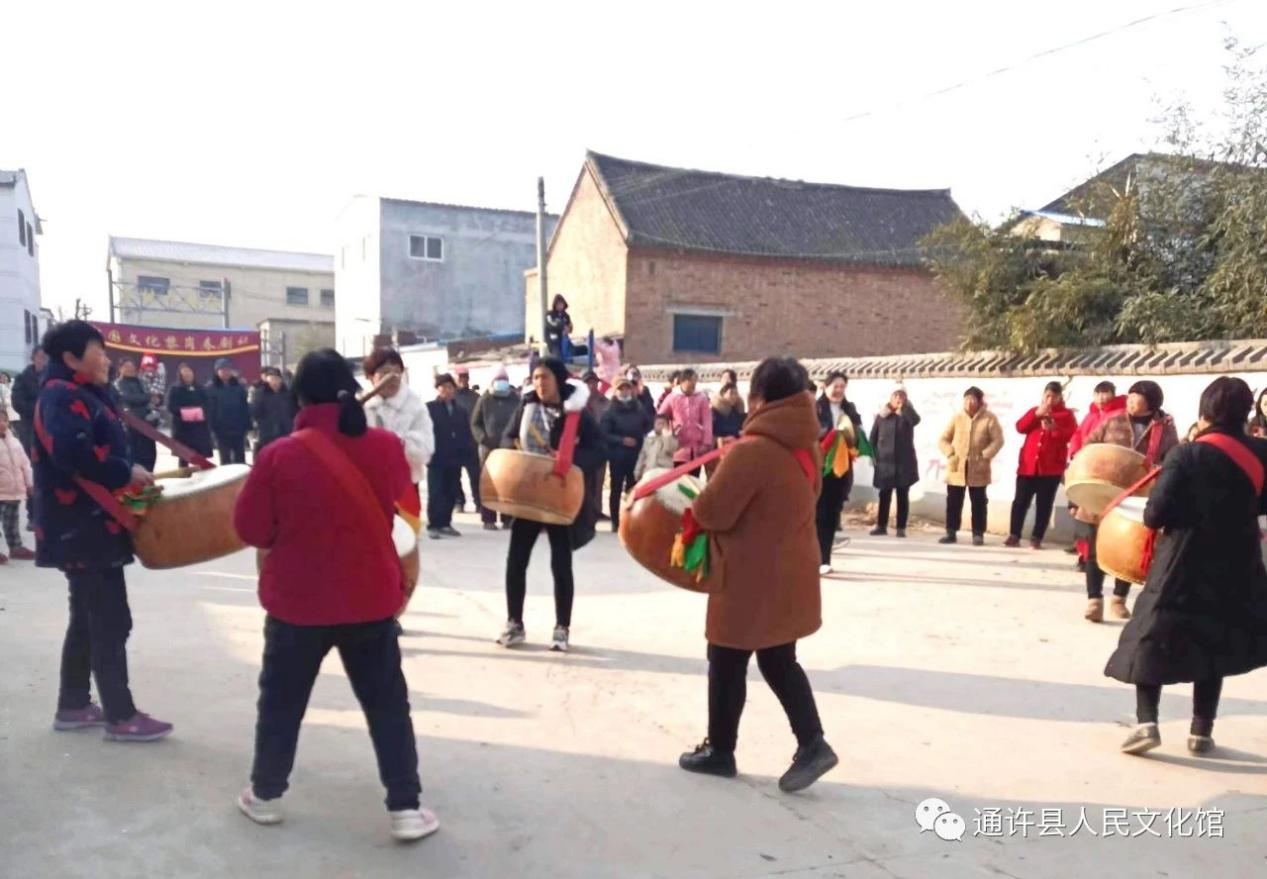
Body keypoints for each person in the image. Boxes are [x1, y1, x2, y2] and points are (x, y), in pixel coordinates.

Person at [232, 348, 437, 841]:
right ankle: (406, 808)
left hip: (297, 604)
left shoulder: (278, 455)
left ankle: (265, 795)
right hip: (369, 600)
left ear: (300, 396)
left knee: (281, 704)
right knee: (387, 706)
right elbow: (400, 487)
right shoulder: (385, 447)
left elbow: (250, 528)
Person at [677, 356, 837, 792]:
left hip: (748, 576)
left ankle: (720, 750)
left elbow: (713, 511)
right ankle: (813, 742)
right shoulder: (806, 445)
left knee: (726, 659)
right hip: (792, 570)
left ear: (760, 397)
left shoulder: (752, 451)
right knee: (778, 659)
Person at [1108, 376, 1267, 757]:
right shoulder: (1262, 452)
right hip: (1237, 561)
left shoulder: (1187, 454)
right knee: (1215, 640)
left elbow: (1156, 514)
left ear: (1205, 410)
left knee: (1149, 635)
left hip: (1182, 560)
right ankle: (1201, 732)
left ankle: (1147, 723)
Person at [34, 321, 170, 742]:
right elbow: (73, 454)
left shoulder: (84, 392)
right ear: (71, 358)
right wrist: (123, 471)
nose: (107, 359)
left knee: (87, 617)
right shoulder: (62, 395)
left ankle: (73, 704)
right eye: (99, 351)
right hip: (82, 527)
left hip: (91, 524)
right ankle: (120, 716)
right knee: (109, 619)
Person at [496, 357, 606, 653]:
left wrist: (569, 460)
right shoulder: (526, 407)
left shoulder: (576, 413)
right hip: (528, 494)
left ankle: (561, 627)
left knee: (561, 563)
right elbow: (507, 437)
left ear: (558, 380)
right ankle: (514, 622)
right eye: (535, 378)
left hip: (559, 496)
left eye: (545, 377)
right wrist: (516, 458)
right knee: (516, 560)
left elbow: (599, 449)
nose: (539, 383)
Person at [1079, 380, 1180, 623]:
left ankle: (1119, 598)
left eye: (1136, 396)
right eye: (1130, 395)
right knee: (1095, 547)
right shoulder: (1113, 420)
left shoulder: (1164, 429)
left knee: (1128, 548)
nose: (1130, 400)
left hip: (1137, 496)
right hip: (1104, 492)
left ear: (1151, 402)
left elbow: (1172, 460)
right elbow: (1088, 447)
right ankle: (1094, 600)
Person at [1007, 381, 1077, 549]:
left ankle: (1036, 537)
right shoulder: (1035, 410)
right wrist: (1036, 415)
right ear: (1043, 395)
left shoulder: (1066, 415)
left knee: (1044, 505)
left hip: (1051, 468)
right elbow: (1020, 427)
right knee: (1020, 502)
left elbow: (1072, 436)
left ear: (1060, 397)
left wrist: (1054, 429)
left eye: (1054, 397)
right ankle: (1014, 535)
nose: (1050, 400)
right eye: (1047, 396)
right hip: (1028, 466)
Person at [937, 387, 1004, 547]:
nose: (969, 402)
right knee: (953, 501)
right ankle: (951, 532)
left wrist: (985, 454)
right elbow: (943, 439)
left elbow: (998, 440)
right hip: (957, 467)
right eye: (966, 398)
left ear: (980, 401)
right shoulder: (957, 417)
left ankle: (978, 534)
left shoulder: (989, 418)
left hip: (978, 467)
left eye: (972, 399)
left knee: (979, 503)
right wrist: (950, 453)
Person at [362, 348, 434, 491]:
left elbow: (426, 447)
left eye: (397, 372)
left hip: (404, 484)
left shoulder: (414, 406)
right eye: (385, 372)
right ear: (370, 376)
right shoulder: (360, 407)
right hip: (368, 483)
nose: (392, 378)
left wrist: (394, 443)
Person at [814, 373, 862, 572]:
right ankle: (816, 559)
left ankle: (825, 560)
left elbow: (858, 436)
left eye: (842, 386)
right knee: (819, 513)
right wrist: (830, 435)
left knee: (833, 515)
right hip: (820, 468)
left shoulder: (849, 409)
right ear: (826, 387)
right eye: (835, 386)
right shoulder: (815, 408)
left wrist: (850, 436)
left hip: (841, 469)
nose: (839, 390)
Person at [470, 366, 520, 531]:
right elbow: (475, 423)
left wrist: (514, 440)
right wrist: (483, 439)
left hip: (509, 449)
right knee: (488, 484)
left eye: (504, 380)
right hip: (488, 449)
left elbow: (520, 421)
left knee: (508, 484)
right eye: (499, 380)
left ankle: (508, 518)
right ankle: (488, 518)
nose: (501, 383)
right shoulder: (485, 399)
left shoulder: (515, 399)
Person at [426, 373, 476, 538]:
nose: (447, 390)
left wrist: (468, 453)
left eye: (450, 387)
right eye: (443, 387)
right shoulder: (430, 409)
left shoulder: (460, 410)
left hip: (454, 457)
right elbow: (425, 432)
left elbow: (466, 433)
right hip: (436, 457)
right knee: (436, 491)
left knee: (451, 491)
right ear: (438, 389)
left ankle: (446, 523)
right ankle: (434, 524)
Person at [601, 376, 652, 530]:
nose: (624, 391)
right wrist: (621, 440)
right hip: (617, 454)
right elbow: (604, 433)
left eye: (627, 388)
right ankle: (615, 521)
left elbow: (648, 425)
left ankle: (631, 520)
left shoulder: (638, 408)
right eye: (621, 388)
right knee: (616, 488)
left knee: (633, 488)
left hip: (635, 454)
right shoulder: (610, 410)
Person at [869, 388, 920, 537]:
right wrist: (873, 456)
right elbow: (873, 437)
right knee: (884, 495)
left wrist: (903, 409)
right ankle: (881, 526)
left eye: (901, 397)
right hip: (885, 463)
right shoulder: (882, 416)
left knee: (902, 495)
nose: (898, 399)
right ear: (891, 399)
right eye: (896, 397)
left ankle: (901, 528)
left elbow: (915, 420)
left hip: (904, 463)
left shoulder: (908, 414)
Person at [11, 345, 46, 530]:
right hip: (31, 429)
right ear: (33, 358)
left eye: (46, 357)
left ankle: (49, 513)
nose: (43, 360)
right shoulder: (23, 378)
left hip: (50, 429)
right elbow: (17, 402)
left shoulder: (52, 377)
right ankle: (33, 514)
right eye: (40, 357)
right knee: (32, 471)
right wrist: (38, 410)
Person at [658, 368, 712, 475]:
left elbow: (707, 421)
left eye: (695, 382)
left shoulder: (701, 398)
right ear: (683, 381)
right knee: (678, 480)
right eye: (691, 381)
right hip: (677, 448)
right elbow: (660, 418)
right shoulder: (672, 398)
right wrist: (667, 432)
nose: (693, 385)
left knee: (693, 480)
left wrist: (706, 443)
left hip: (695, 449)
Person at [0, 407, 35, 562]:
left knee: (11, 520)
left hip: (13, 489)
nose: (2, 423)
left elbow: (25, 464)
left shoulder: (14, 441)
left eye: (4, 420)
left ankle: (15, 547)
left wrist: (29, 483)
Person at [113, 358, 158, 471]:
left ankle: (149, 475)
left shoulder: (141, 382)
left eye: (132, 366)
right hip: (132, 425)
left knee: (150, 453)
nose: (130, 369)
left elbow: (151, 397)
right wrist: (148, 398)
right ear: (120, 369)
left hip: (147, 423)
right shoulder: (118, 384)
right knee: (135, 455)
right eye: (127, 367)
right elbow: (129, 398)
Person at [206, 358, 252, 465]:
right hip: (221, 429)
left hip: (238, 428)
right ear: (217, 371)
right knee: (225, 458)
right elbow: (209, 410)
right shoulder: (210, 388)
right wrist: (211, 427)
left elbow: (245, 407)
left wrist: (247, 424)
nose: (226, 372)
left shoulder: (238, 387)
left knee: (240, 458)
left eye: (228, 369)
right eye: (222, 370)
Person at [167, 363, 214, 467]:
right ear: (180, 374)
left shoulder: (201, 388)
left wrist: (200, 412)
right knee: (184, 459)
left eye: (189, 371)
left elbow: (208, 404)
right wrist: (186, 413)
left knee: (201, 459)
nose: (187, 374)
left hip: (199, 429)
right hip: (183, 429)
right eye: (184, 371)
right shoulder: (175, 389)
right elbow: (171, 407)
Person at [450, 368, 483, 516]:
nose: (463, 380)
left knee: (475, 476)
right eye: (460, 377)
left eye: (465, 377)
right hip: (455, 443)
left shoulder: (476, 397)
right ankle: (459, 502)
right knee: (454, 476)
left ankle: (479, 503)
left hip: (472, 443)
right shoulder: (450, 397)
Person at [581, 371, 612, 521]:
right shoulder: (578, 401)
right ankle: (583, 512)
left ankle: (597, 510)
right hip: (582, 447)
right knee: (583, 480)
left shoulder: (605, 402)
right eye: (588, 382)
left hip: (600, 447)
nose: (592, 385)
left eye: (594, 382)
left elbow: (611, 423)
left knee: (598, 481)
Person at [250, 366, 299, 453]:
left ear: (281, 380)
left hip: (286, 432)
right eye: (272, 379)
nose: (274, 382)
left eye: (277, 379)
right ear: (267, 381)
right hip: (268, 433)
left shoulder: (288, 394)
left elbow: (295, 411)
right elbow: (255, 411)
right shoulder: (260, 394)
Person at [635, 414, 678, 481]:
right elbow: (642, 456)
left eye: (663, 424)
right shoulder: (648, 438)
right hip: (649, 471)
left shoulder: (672, 438)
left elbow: (669, 449)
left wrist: (666, 436)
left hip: (664, 472)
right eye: (658, 423)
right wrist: (638, 471)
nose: (660, 426)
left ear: (667, 425)